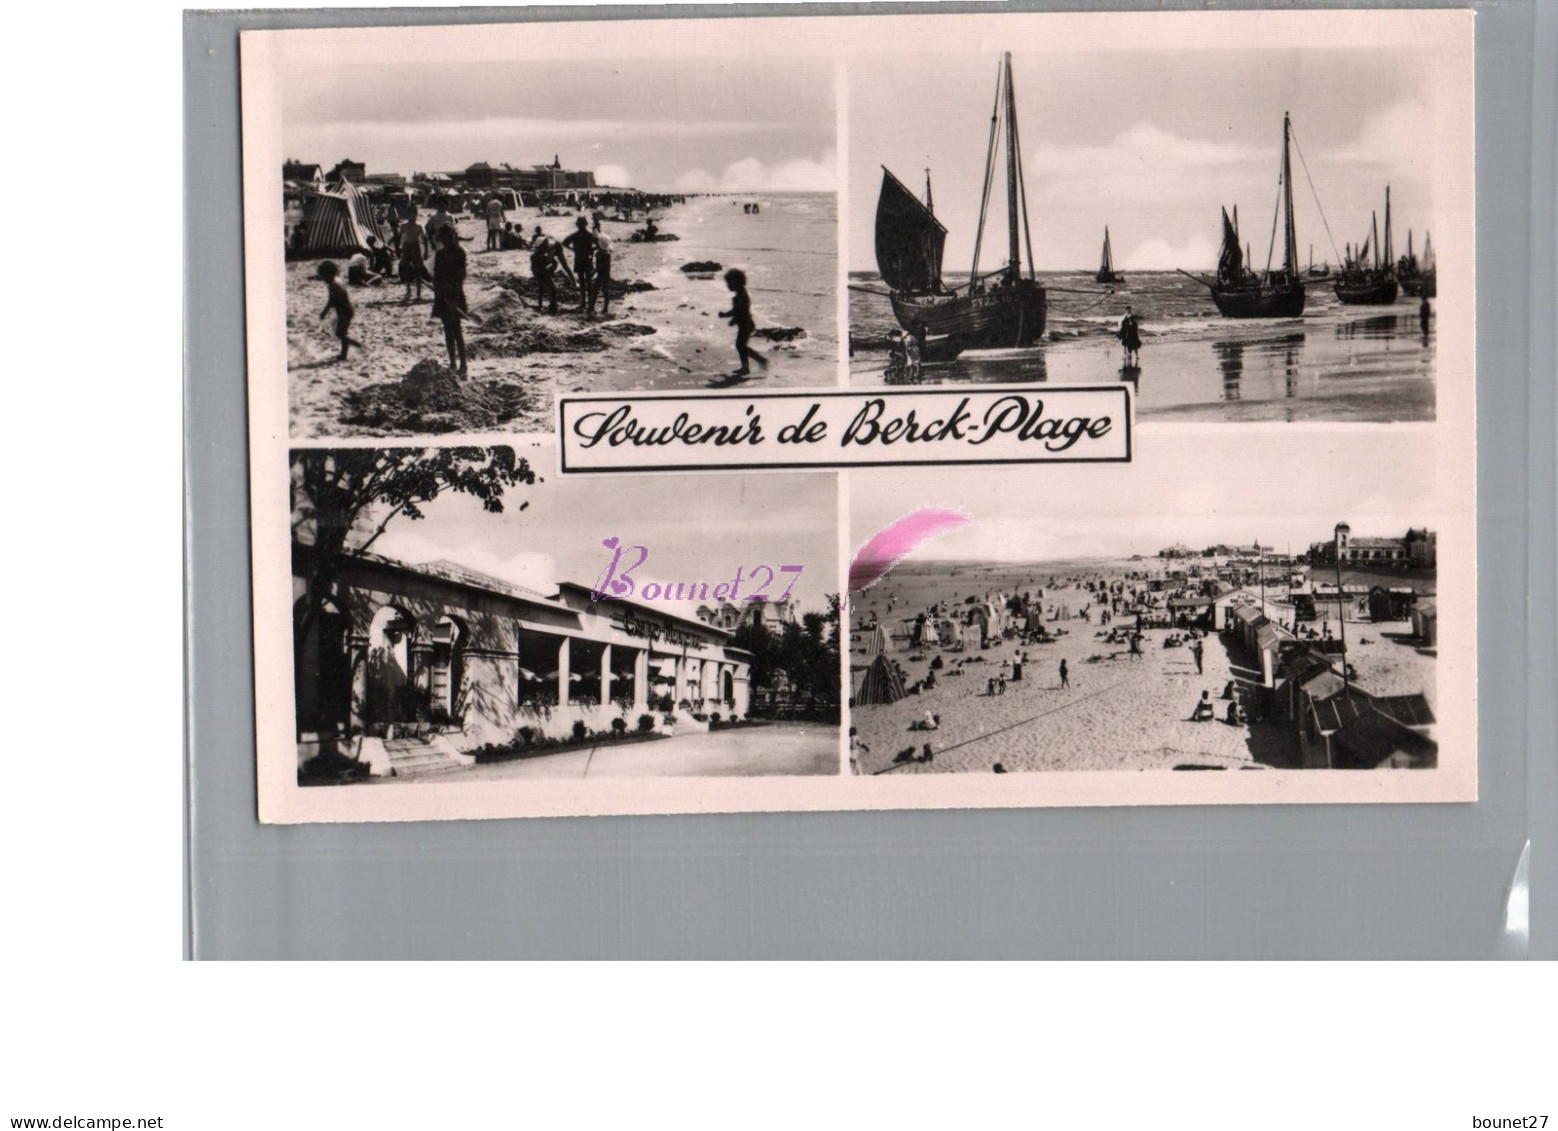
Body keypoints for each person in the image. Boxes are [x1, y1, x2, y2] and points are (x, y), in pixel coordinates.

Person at [430, 225, 468, 377]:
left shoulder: (459, 252)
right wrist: (438, 290)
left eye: (449, 237)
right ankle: (452, 362)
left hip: (455, 295)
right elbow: (437, 275)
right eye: (444, 238)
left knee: (457, 330)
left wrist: (455, 298)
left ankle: (463, 363)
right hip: (442, 295)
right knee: (447, 329)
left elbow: (461, 276)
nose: (446, 240)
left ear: (453, 236)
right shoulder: (439, 254)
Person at [719, 268, 768, 377]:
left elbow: (740, 312)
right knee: (741, 345)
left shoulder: (741, 296)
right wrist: (729, 317)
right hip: (745, 324)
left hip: (746, 324)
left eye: (728, 283)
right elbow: (737, 311)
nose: (727, 286)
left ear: (735, 282)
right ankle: (749, 365)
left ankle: (754, 363)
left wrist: (730, 318)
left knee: (740, 345)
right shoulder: (740, 294)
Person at [315, 261, 361, 362]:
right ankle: (343, 355)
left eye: (323, 276)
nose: (323, 279)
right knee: (342, 333)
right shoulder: (337, 281)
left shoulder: (333, 285)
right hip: (346, 310)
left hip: (344, 311)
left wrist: (324, 312)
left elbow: (331, 301)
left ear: (329, 274)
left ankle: (358, 345)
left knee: (340, 334)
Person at [561, 217, 598, 314]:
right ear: (586, 224)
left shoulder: (575, 235)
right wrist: (591, 250)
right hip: (588, 259)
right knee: (589, 281)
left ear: (577, 225)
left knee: (582, 281)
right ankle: (589, 302)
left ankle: (583, 303)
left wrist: (573, 250)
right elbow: (599, 244)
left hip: (579, 259)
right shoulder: (589, 235)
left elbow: (564, 243)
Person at [530, 234, 568, 315]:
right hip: (543, 271)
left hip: (538, 271)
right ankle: (552, 307)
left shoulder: (536, 254)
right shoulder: (541, 256)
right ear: (540, 245)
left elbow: (535, 266)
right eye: (544, 244)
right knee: (552, 289)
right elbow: (547, 264)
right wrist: (551, 267)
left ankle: (540, 305)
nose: (546, 245)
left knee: (541, 288)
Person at [398, 210, 429, 303]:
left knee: (418, 270)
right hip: (407, 247)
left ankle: (418, 293)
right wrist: (398, 248)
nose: (412, 217)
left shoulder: (419, 226)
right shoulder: (404, 225)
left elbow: (425, 238)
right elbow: (398, 236)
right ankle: (408, 291)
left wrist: (426, 251)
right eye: (410, 214)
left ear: (416, 215)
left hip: (415, 247)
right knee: (407, 269)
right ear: (407, 215)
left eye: (414, 215)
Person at [591, 234, 613, 316]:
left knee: (595, 290)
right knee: (605, 291)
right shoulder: (607, 254)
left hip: (600, 274)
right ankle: (605, 308)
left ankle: (592, 306)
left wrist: (592, 273)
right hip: (606, 274)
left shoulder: (599, 254)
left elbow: (598, 267)